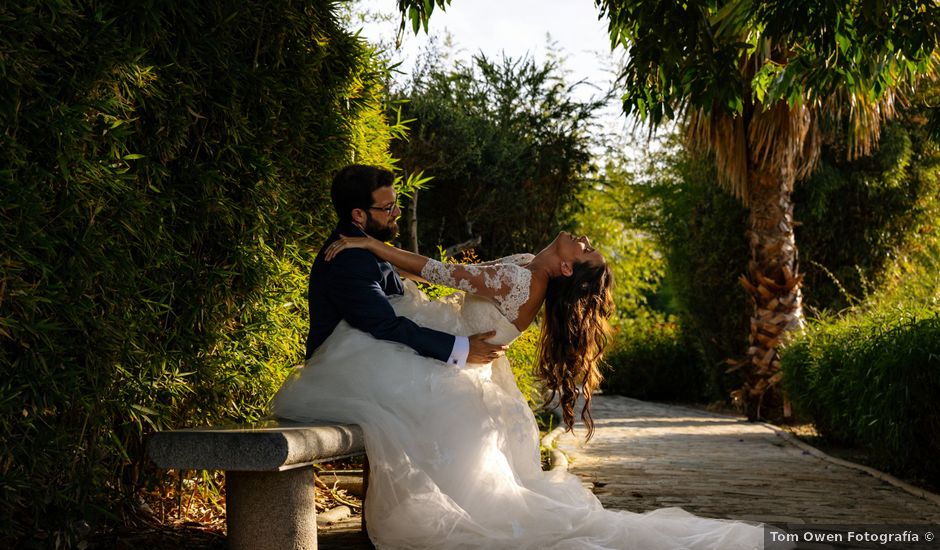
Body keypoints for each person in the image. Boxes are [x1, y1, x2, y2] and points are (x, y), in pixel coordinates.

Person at [271, 165, 767, 549]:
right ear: (360, 215)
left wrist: (375, 247)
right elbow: (400, 307)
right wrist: (376, 250)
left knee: (428, 413)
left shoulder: (524, 278)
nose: (396, 214)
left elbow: (439, 273)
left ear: (568, 265)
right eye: (389, 208)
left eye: (586, 250)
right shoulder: (528, 269)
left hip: (451, 350)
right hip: (447, 348)